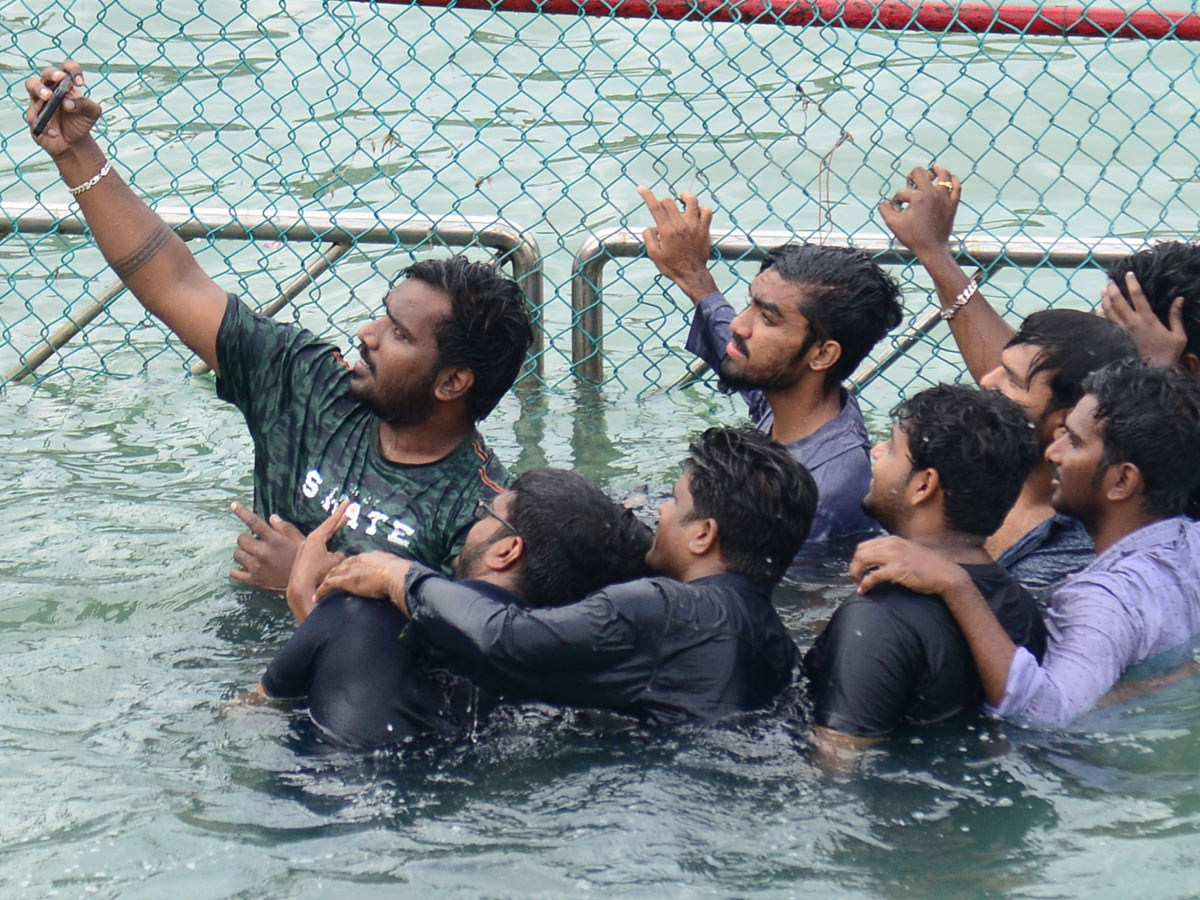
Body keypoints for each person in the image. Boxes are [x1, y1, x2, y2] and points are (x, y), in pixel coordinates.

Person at [25, 62, 533, 588]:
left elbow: (468, 639)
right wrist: (75, 152)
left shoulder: (482, 513)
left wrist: (312, 577)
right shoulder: (307, 385)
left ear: (452, 381)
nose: (367, 332)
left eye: (400, 334)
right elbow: (174, 283)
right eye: (384, 314)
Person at [312, 426, 818, 725]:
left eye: (675, 501)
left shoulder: (664, 607)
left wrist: (401, 577)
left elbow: (503, 637)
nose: (660, 511)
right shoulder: (777, 643)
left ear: (703, 536)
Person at [851, 363, 1200, 725]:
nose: (1053, 452)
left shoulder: (1102, 599)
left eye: (1075, 442)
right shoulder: (1193, 543)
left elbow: (1045, 715)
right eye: (1062, 434)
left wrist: (956, 585)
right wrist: (1174, 678)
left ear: (1123, 480)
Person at [880, 165, 1139, 596]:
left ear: (1064, 426)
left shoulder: (1067, 557)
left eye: (1012, 382)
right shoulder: (969, 464)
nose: (985, 381)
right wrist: (934, 252)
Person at [255, 468, 654, 747]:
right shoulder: (561, 676)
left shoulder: (357, 612)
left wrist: (310, 608)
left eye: (486, 513)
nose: (474, 522)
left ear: (506, 550)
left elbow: (250, 717)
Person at [636, 188, 903, 549]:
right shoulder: (795, 397)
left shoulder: (821, 491)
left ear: (823, 355)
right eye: (750, 304)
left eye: (768, 318)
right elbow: (732, 346)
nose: (739, 325)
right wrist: (693, 275)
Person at [803, 385, 1046, 755]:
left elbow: (838, 766)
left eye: (892, 447)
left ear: (924, 485)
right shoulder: (1021, 608)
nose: (876, 451)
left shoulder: (876, 618)